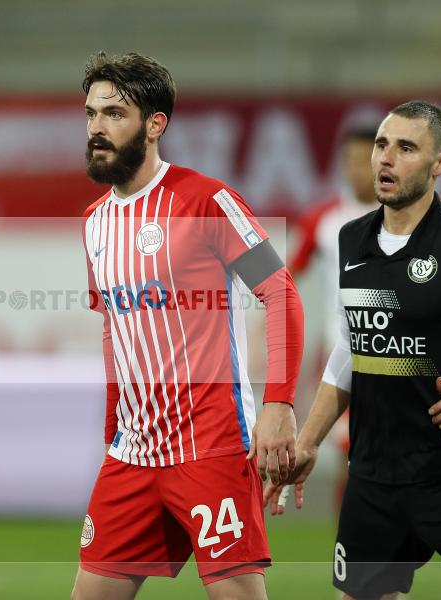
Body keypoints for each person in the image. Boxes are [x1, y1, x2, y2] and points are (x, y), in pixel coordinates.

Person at [266, 101, 441, 600]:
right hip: (372, 478)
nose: (385, 159)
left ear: (440, 164)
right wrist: (308, 441)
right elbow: (355, 347)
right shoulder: (351, 239)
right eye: (380, 145)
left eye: (406, 147)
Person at [72, 52, 305, 600]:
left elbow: (281, 293)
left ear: (156, 125)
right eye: (90, 114)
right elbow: (114, 327)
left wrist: (278, 405)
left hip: (211, 447)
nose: (96, 129)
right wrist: (112, 425)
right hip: (133, 453)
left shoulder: (204, 200)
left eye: (114, 114)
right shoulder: (93, 222)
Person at [288, 125, 379, 511]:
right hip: (344, 354)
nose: (358, 169)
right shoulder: (324, 220)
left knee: (385, 447)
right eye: (351, 160)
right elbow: (285, 277)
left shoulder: (412, 216)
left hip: (405, 351)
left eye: (366, 160)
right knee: (351, 447)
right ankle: (354, 539)